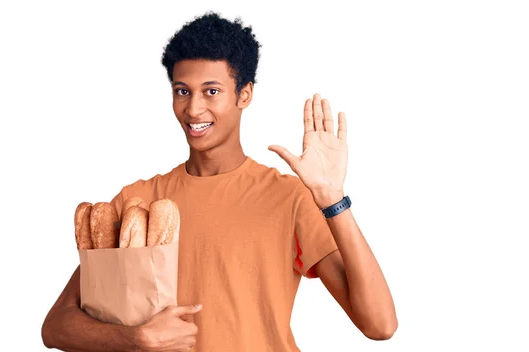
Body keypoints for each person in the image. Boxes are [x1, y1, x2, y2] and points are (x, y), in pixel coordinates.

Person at [41, 11, 397, 352]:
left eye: (211, 91)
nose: (194, 109)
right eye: (182, 91)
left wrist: (332, 196)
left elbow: (379, 325)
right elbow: (56, 326)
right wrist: (138, 339)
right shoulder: (138, 203)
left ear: (244, 94)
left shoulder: (289, 198)